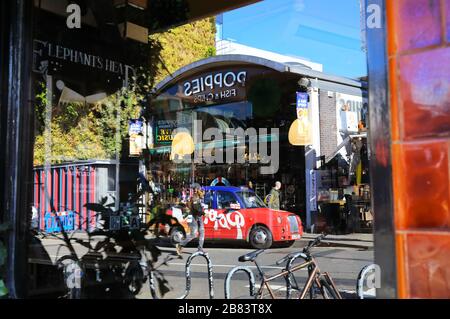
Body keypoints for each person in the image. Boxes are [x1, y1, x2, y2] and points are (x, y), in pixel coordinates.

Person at [176, 185, 206, 256]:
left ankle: (200, 248)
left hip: (198, 216)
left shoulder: (199, 197)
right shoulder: (195, 197)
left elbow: (199, 207)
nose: (203, 193)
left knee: (202, 231)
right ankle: (180, 244)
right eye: (201, 191)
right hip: (192, 217)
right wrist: (204, 213)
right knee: (193, 234)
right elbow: (196, 208)